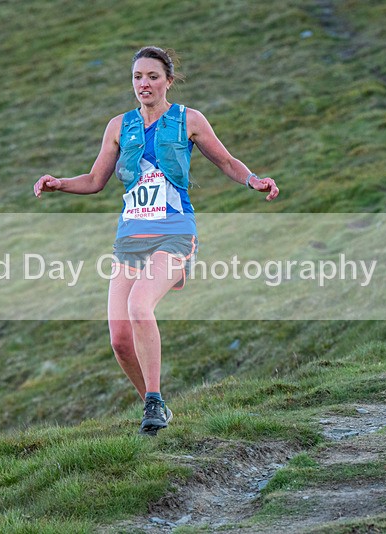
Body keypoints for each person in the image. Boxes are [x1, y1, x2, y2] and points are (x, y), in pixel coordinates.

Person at [34, 46, 279, 435]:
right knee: (119, 339)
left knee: (139, 306)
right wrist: (59, 183)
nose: (143, 84)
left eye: (151, 76)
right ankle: (155, 403)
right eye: (137, 77)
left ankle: (153, 402)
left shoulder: (189, 120)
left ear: (168, 80)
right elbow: (96, 181)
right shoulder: (118, 126)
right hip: (130, 237)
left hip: (175, 232)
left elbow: (229, 163)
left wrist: (254, 180)